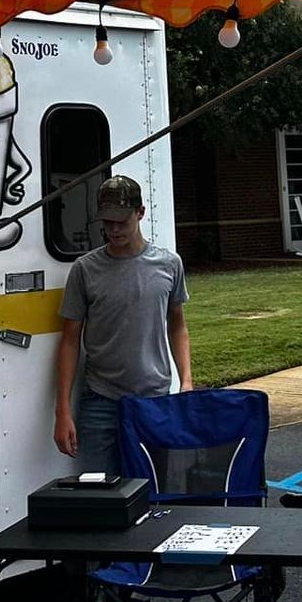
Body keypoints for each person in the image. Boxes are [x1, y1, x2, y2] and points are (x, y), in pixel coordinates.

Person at [53, 175, 192, 474]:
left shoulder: (169, 264)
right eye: (107, 222)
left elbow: (177, 325)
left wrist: (187, 381)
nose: (114, 230)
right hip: (100, 402)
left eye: (121, 221)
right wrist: (62, 409)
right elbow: (69, 340)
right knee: (99, 495)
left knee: (153, 492)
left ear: (140, 213)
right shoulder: (84, 270)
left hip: (154, 400)